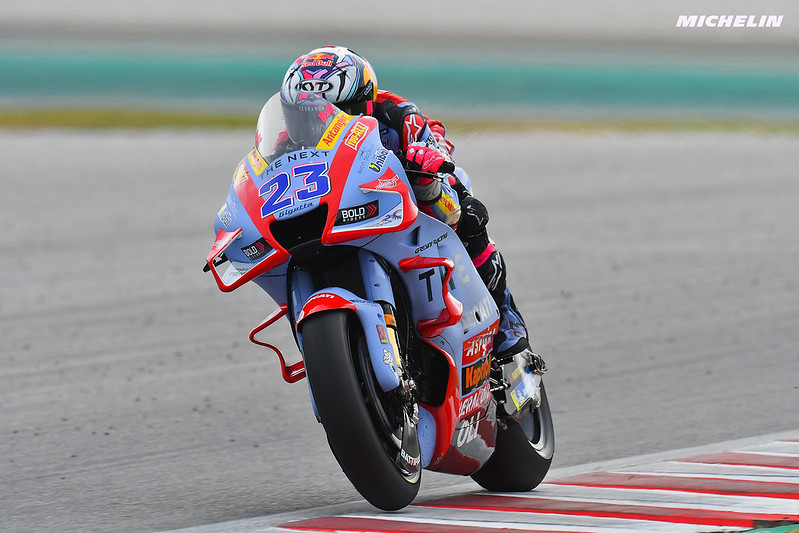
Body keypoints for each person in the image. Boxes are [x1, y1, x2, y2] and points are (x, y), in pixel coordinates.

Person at [280, 45, 540, 366]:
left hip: (403, 190)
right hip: (341, 209)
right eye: (303, 115)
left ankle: (505, 315)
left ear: (363, 103)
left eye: (332, 112)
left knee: (466, 213)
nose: (317, 124)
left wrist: (425, 158)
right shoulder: (285, 141)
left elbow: (432, 141)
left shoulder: (396, 112)